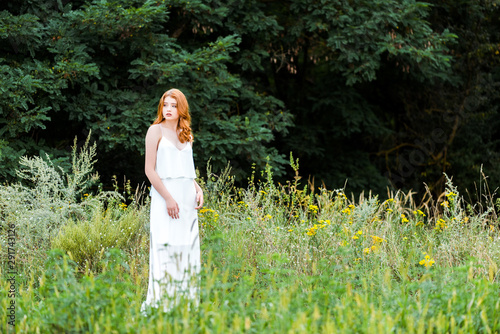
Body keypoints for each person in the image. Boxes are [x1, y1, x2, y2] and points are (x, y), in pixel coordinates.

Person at [142, 88, 203, 311]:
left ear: (181, 109)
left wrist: (198, 189)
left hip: (187, 201)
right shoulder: (154, 131)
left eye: (173, 105)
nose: (168, 109)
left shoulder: (186, 134)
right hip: (164, 198)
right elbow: (150, 170)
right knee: (165, 248)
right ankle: (162, 305)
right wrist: (168, 198)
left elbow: (187, 170)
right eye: (165, 105)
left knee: (187, 248)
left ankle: (185, 305)